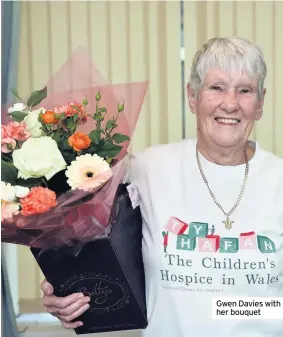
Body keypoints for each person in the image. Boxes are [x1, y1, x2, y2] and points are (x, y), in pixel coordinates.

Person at [41, 37, 283, 337]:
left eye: (244, 90)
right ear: (192, 96)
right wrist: (63, 285)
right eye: (217, 87)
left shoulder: (278, 182)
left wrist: (227, 308)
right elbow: (81, 231)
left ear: (260, 104)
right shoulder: (148, 169)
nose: (230, 103)